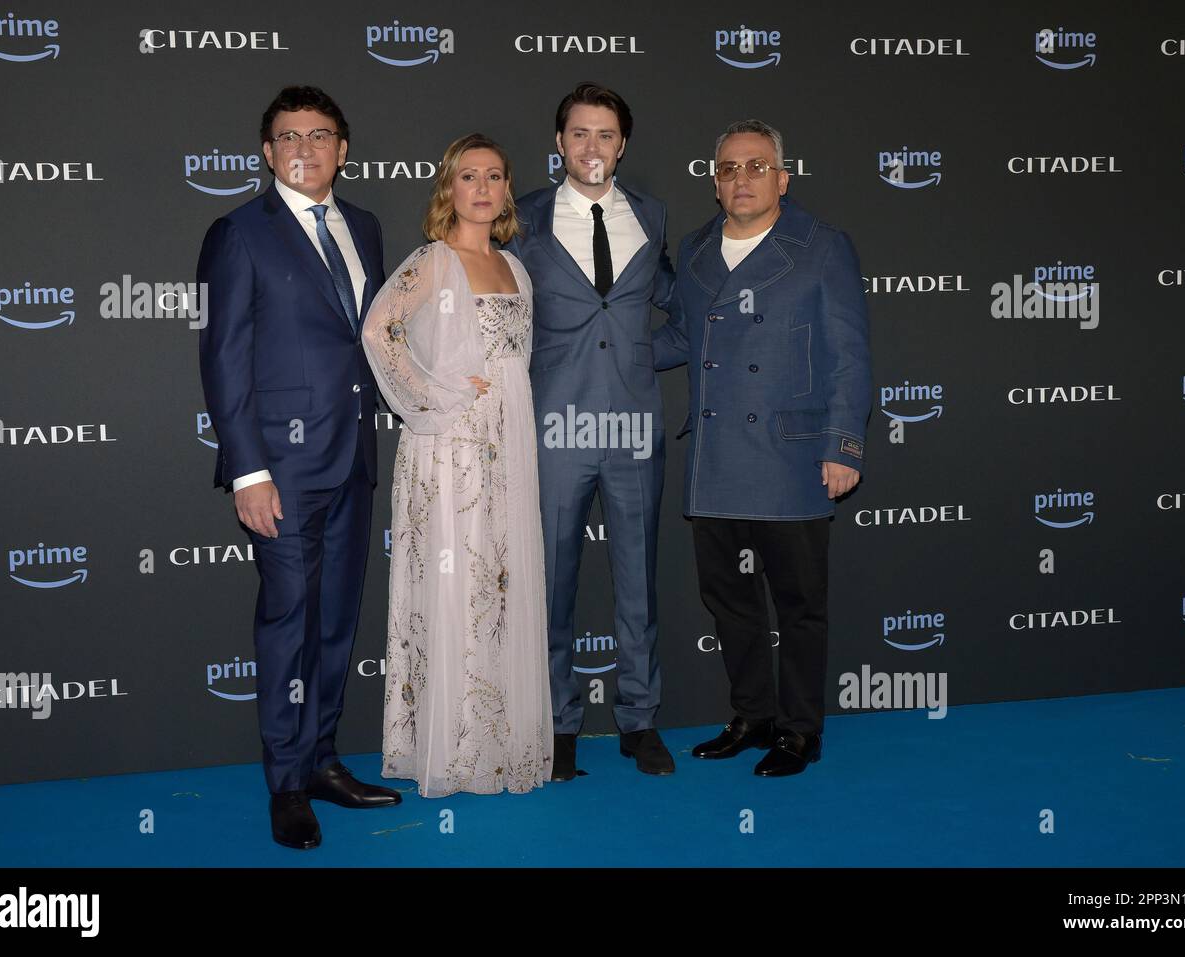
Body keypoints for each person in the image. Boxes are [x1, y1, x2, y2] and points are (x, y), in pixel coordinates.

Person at [198, 85, 401, 851]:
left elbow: (370, 342)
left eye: (320, 136)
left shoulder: (367, 227)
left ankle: (322, 760)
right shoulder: (240, 233)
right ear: (267, 151)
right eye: (288, 137)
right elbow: (223, 359)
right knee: (288, 622)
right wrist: (247, 471)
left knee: (337, 621)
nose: (305, 149)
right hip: (280, 470)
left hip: (353, 458)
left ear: (342, 150)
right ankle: (287, 783)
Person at [653, 119, 872, 776]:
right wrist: (604, 354)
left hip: (792, 458)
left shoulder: (822, 247)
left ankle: (800, 729)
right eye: (727, 168)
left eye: (754, 166)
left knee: (800, 606)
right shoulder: (693, 252)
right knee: (731, 601)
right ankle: (752, 714)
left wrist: (844, 446)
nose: (740, 178)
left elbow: (850, 355)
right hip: (718, 458)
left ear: (782, 177)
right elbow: (683, 341)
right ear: (715, 183)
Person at [360, 133, 553, 797]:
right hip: (448, 446)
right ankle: (449, 746)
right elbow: (377, 329)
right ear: (449, 188)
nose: (482, 187)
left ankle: (497, 742)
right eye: (468, 176)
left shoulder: (516, 267)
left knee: (498, 586)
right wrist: (431, 396)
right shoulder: (431, 261)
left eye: (494, 176)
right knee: (453, 585)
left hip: (508, 444)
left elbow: (513, 364)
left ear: (506, 190)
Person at [509, 83, 678, 779]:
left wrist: (642, 355)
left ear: (622, 145)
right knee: (551, 583)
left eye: (605, 135)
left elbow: (675, 308)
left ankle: (640, 721)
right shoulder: (521, 222)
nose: (592, 147)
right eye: (579, 133)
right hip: (553, 428)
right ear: (559, 144)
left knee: (639, 580)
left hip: (636, 425)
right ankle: (558, 725)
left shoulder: (653, 217)